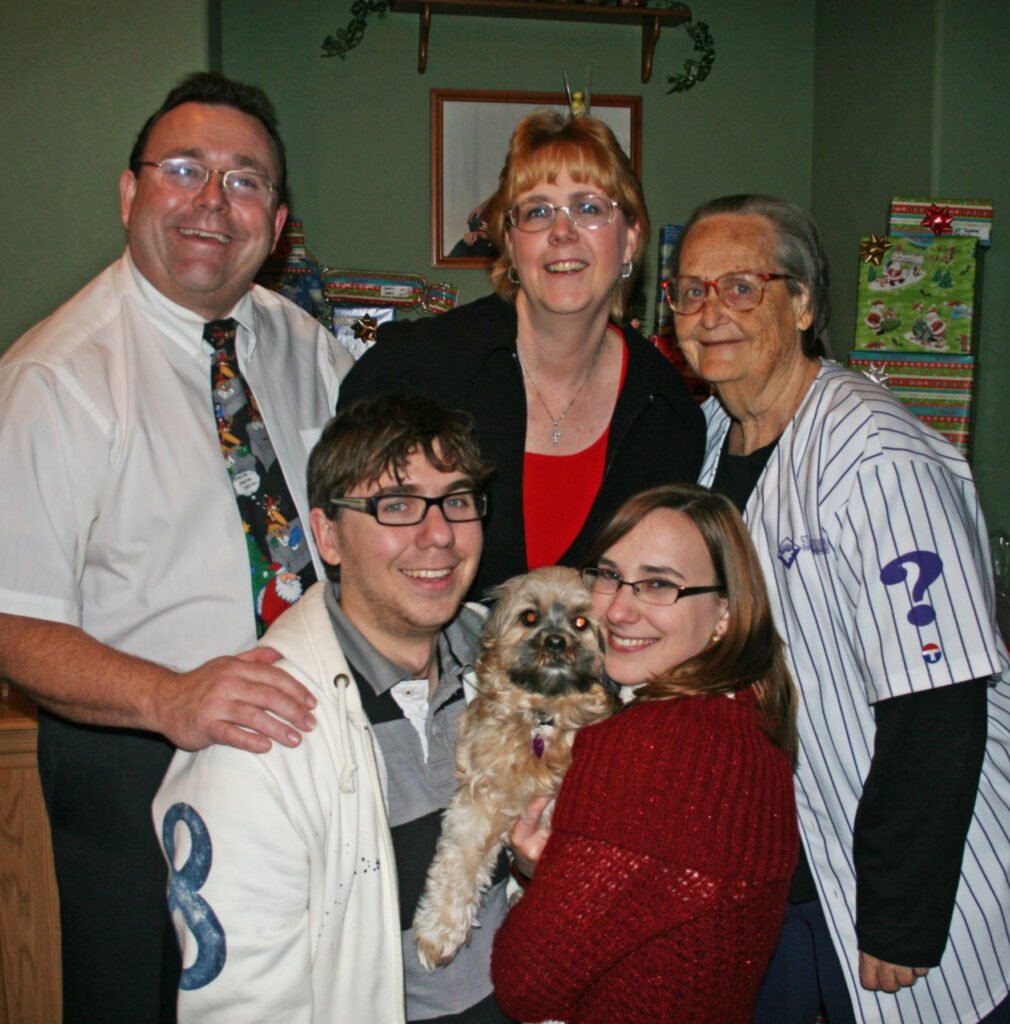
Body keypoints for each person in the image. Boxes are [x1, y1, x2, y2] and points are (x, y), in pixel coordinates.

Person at [0, 72, 354, 1023]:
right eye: (185, 169)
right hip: (133, 758)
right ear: (130, 193)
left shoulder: (307, 347)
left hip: (303, 748)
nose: (211, 201)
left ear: (276, 224)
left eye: (244, 181)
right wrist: (173, 698)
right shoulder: (53, 377)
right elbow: (12, 623)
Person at [669, 193, 1010, 1023]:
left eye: (742, 287)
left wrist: (902, 914)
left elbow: (939, 703)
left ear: (806, 303)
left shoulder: (878, 458)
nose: (711, 311)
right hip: (796, 858)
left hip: (920, 873)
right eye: (689, 291)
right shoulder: (709, 440)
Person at [154, 393, 513, 1023]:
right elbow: (242, 1007)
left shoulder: (514, 665)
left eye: (457, 501)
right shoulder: (257, 733)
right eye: (396, 506)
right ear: (327, 536)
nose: (439, 535)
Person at [338, 109, 705, 598]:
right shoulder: (409, 371)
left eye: (589, 208)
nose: (562, 232)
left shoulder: (667, 414)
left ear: (631, 238)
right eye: (536, 211)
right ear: (510, 242)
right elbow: (350, 555)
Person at [490, 482, 799, 1023]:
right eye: (609, 576)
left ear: (724, 611)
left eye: (659, 585)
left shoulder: (649, 745)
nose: (619, 610)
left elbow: (525, 984)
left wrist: (540, 878)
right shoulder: (746, 717)